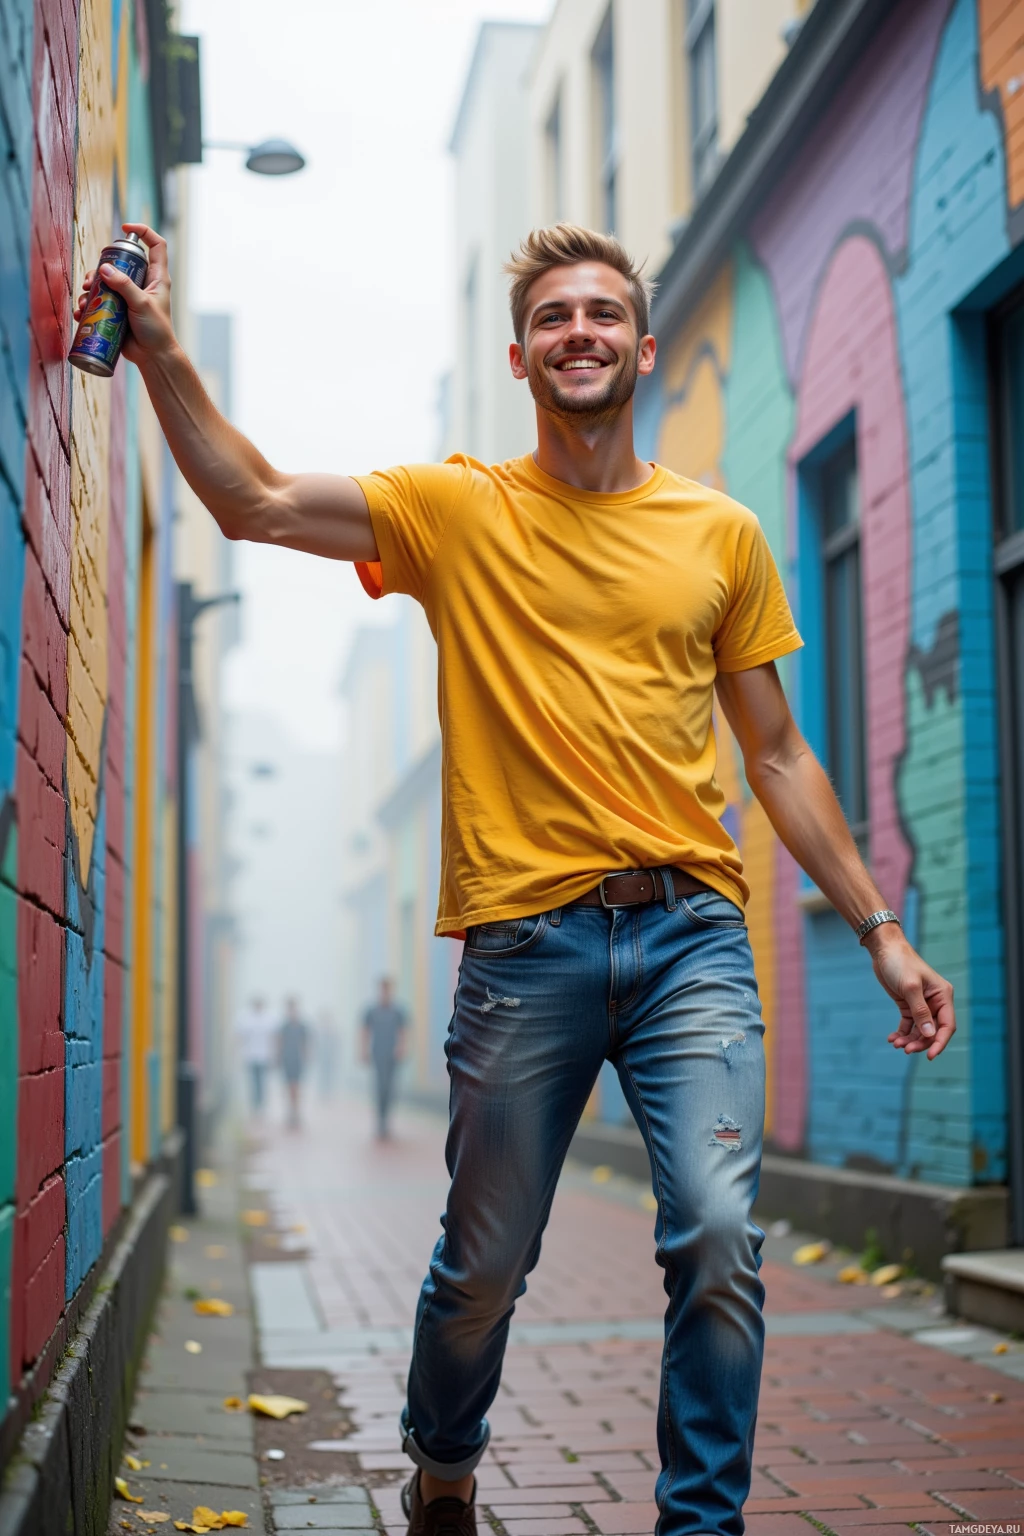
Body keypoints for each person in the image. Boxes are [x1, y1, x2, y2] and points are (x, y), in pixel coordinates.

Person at [79, 221, 956, 1536]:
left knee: (719, 1237)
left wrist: (881, 928)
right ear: (522, 355)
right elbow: (252, 500)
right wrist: (158, 356)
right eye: (556, 318)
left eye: (605, 313)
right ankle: (443, 1462)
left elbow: (777, 756)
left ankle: (696, 1524)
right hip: (523, 949)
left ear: (643, 349)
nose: (581, 332)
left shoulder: (720, 534)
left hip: (690, 941)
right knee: (484, 1264)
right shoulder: (456, 510)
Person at [361, 977, 409, 1139]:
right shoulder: (371, 1011)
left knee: (390, 1088)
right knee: (379, 1086)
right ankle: (380, 1120)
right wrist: (363, 1050)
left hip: (392, 1055)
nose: (385, 992)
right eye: (382, 989)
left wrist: (401, 1048)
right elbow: (365, 1031)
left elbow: (403, 1031)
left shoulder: (398, 1011)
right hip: (378, 1053)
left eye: (388, 989)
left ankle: (386, 1119)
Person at [276, 996, 312, 1130]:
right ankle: (291, 1111)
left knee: (296, 1086)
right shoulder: (284, 1027)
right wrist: (278, 1057)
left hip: (298, 1060)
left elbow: (306, 1043)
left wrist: (307, 1056)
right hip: (287, 1059)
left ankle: (296, 1112)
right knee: (288, 1087)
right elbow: (279, 1042)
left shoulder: (302, 1026)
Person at [235, 995, 274, 1114]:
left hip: (264, 1056)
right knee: (252, 1083)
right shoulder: (246, 1019)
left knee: (262, 1083)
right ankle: (254, 1107)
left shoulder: (268, 1019)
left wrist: (274, 1054)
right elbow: (239, 1037)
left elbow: (274, 1038)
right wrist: (237, 1053)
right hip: (250, 1056)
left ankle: (261, 1106)